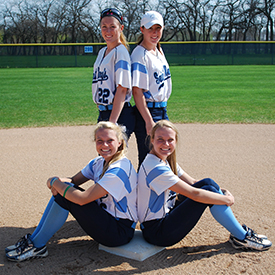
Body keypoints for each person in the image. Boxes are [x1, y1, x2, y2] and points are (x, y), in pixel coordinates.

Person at [5, 121, 138, 262]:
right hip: (108, 220)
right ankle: (34, 240)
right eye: (100, 141)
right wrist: (57, 181)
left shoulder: (119, 169)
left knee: (67, 195)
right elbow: (73, 180)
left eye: (110, 141)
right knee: (65, 191)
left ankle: (37, 246)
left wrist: (55, 183)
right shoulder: (99, 162)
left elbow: (82, 199)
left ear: (120, 143)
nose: (104, 145)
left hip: (119, 232)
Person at [137, 120, 272, 251]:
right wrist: (227, 199)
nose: (165, 143)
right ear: (152, 140)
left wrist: (221, 191)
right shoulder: (155, 168)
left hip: (165, 218)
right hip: (157, 233)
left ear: (176, 141)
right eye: (160, 139)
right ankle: (242, 237)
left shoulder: (163, 160)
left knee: (208, 183)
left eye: (170, 140)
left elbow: (194, 183)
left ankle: (238, 232)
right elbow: (194, 194)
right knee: (206, 191)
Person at [131, 11, 171, 167]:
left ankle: (164, 190)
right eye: (150, 29)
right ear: (142, 29)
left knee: (164, 154)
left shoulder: (158, 50)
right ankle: (145, 191)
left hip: (162, 109)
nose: (154, 33)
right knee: (148, 157)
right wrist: (148, 121)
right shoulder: (140, 54)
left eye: (158, 28)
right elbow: (137, 91)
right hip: (148, 112)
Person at [92, 8, 135, 138]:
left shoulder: (120, 52)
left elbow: (122, 89)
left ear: (121, 28)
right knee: (106, 155)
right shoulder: (102, 52)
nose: (108, 31)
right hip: (105, 113)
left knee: (115, 156)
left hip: (118, 114)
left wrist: (112, 122)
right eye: (104, 27)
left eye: (112, 26)